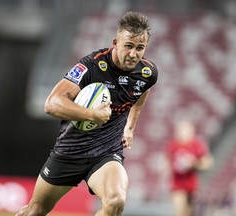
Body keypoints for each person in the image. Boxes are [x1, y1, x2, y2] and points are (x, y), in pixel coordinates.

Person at [16, 11, 158, 216]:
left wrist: (130, 127)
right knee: (36, 210)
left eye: (140, 48)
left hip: (106, 152)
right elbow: (52, 103)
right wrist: (92, 115)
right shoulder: (91, 66)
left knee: (116, 201)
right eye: (128, 46)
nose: (134, 54)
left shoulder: (147, 72)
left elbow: (143, 89)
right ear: (115, 42)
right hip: (70, 151)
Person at [165, 120, 214, 216]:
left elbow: (207, 163)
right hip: (177, 183)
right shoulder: (173, 145)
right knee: (180, 211)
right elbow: (168, 163)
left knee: (190, 212)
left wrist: (194, 164)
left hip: (192, 184)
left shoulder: (197, 145)